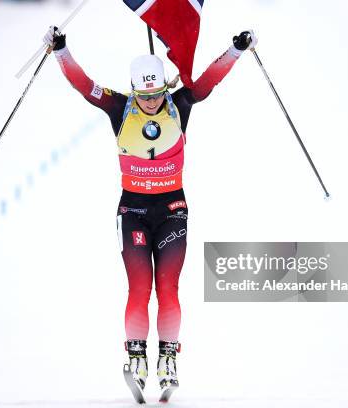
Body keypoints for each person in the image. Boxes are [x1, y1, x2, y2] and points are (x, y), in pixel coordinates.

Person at [43, 26, 257, 398]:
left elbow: (207, 82)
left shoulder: (179, 105)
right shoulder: (119, 106)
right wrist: (61, 50)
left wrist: (236, 50)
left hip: (172, 209)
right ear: (134, 90)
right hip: (133, 211)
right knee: (140, 288)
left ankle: (168, 359)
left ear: (162, 88)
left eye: (156, 95)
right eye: (144, 97)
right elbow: (84, 85)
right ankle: (138, 358)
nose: (151, 103)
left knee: (168, 288)